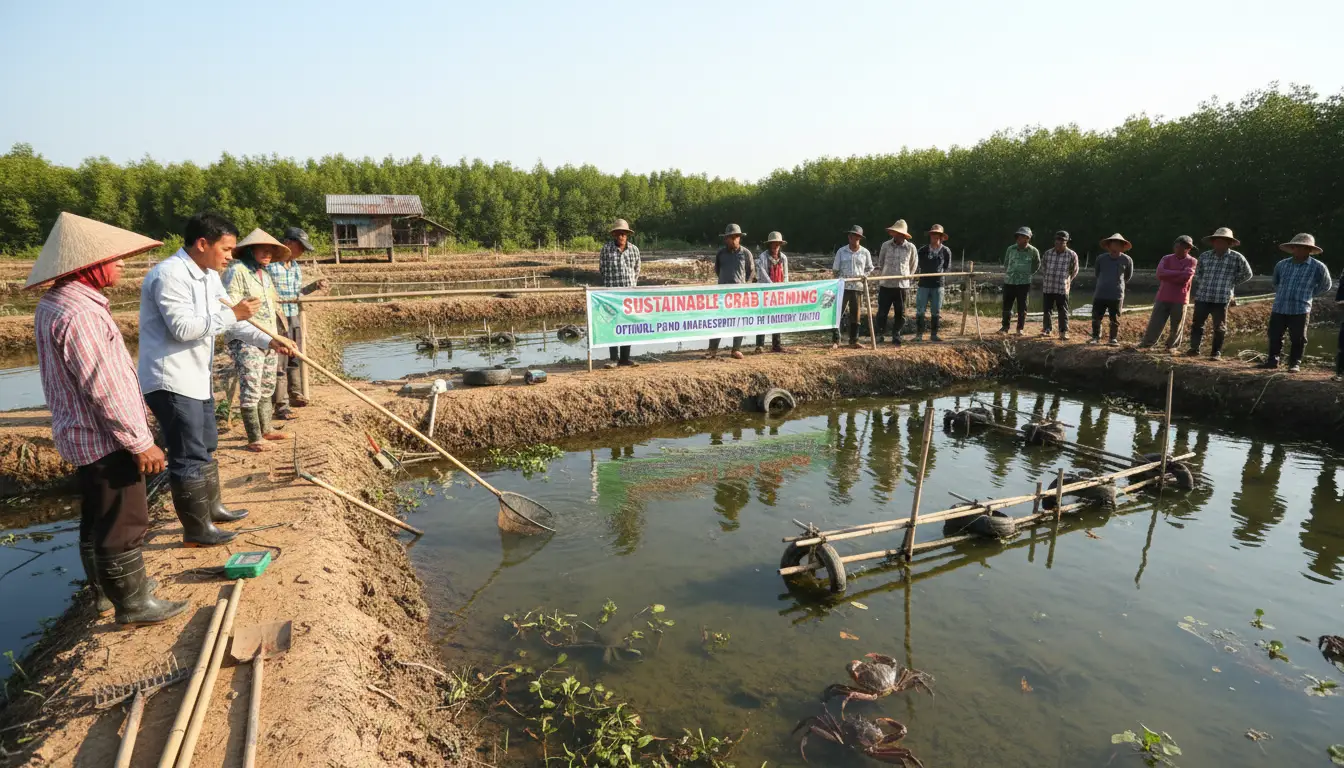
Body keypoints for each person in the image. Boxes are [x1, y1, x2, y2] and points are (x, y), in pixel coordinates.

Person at [29, 213, 187, 626]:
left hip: (83, 435)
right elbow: (104, 386)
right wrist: (140, 441)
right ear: (89, 265)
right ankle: (132, 604)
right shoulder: (80, 314)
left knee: (97, 517)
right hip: (105, 438)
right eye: (114, 259)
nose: (120, 266)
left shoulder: (57, 303)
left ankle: (109, 594)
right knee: (123, 520)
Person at [139, 212, 295, 548]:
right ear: (202, 244)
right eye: (226, 249)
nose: (229, 255)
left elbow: (230, 322)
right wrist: (234, 313)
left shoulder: (208, 276)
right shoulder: (169, 276)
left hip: (196, 378)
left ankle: (213, 508)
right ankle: (196, 531)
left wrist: (270, 340)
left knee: (206, 444)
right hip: (171, 380)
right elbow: (184, 329)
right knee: (188, 453)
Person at [224, 230, 290, 451]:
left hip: (269, 338)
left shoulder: (265, 275)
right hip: (246, 338)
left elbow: (273, 308)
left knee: (267, 384)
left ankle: (267, 429)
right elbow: (231, 308)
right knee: (251, 385)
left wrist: (281, 336)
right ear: (250, 250)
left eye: (271, 250)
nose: (268, 253)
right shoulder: (237, 271)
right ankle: (254, 438)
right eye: (263, 249)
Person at [267, 226, 328, 416]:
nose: (301, 252)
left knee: (295, 356)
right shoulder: (270, 265)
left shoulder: (294, 266)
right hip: (277, 318)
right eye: (300, 246)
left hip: (293, 314)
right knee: (280, 359)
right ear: (288, 243)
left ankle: (295, 394)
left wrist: (313, 287)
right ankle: (281, 404)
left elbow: (297, 294)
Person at [1261, 233, 1332, 372]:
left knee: (1298, 338)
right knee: (1275, 335)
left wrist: (1309, 294)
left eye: (1303, 248)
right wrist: (1283, 293)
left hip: (1300, 307)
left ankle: (1294, 363)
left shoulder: (1318, 267)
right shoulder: (1282, 265)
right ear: (1292, 248)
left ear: (1309, 250)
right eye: (1296, 247)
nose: (1299, 250)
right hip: (1280, 306)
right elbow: (1275, 282)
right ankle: (1272, 360)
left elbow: (1326, 285)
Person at [1187, 227, 1254, 359]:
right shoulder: (1205, 256)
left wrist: (1231, 282)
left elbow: (1248, 274)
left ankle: (1216, 352)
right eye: (1217, 241)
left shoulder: (1236, 257)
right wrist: (1203, 282)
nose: (1219, 244)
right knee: (1197, 323)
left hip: (1221, 297)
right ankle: (1194, 349)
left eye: (1222, 242)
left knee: (1219, 326)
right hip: (1203, 295)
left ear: (1229, 243)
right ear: (1213, 242)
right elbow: (1198, 273)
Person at [1138, 235, 1198, 351]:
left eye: (1188, 247)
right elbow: (1160, 273)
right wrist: (1179, 273)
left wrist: (1169, 275)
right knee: (1155, 322)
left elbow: (1185, 278)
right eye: (1183, 246)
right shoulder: (1166, 258)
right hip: (1163, 295)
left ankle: (1172, 347)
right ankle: (1147, 344)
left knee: (1177, 325)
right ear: (1176, 246)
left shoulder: (1192, 261)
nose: (1185, 249)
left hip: (1180, 297)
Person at [706, 224, 754, 359]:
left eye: (736, 237)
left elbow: (751, 272)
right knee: (718, 321)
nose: (733, 240)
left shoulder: (746, 253)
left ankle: (736, 349)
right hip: (722, 294)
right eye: (730, 237)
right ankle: (712, 350)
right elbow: (717, 270)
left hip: (739, 294)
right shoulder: (721, 253)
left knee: (739, 321)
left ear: (739, 238)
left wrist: (745, 287)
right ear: (725, 239)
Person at [599, 219, 641, 367]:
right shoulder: (606, 249)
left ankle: (625, 358)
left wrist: (631, 286)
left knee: (627, 325)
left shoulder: (634, 250)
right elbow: (602, 269)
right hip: (611, 294)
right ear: (614, 235)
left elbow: (637, 270)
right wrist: (610, 286)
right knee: (613, 324)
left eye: (623, 234)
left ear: (627, 235)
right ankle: (613, 359)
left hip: (628, 295)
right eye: (618, 234)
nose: (620, 237)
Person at [873, 220, 917, 345]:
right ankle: (880, 333)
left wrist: (907, 277)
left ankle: (896, 334)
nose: (898, 235)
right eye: (897, 233)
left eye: (901, 233)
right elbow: (881, 262)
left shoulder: (910, 247)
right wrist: (886, 274)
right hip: (886, 284)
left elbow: (913, 264)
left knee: (901, 312)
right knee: (882, 312)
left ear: (904, 235)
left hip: (902, 285)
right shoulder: (886, 245)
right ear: (893, 234)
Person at [1089, 233, 1135, 345]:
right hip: (1101, 293)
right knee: (1096, 317)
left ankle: (1113, 338)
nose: (1115, 248)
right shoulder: (1101, 259)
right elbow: (1097, 273)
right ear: (1109, 246)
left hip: (1116, 294)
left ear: (1122, 247)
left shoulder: (1127, 260)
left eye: (1118, 245)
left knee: (1114, 318)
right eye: (1113, 245)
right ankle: (1095, 337)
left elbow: (1127, 276)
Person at [832, 225, 873, 348]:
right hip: (843, 287)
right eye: (851, 237)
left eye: (856, 237)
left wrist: (864, 276)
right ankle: (836, 340)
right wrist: (841, 279)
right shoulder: (841, 251)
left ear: (859, 238)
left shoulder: (865, 252)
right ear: (849, 237)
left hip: (857, 287)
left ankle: (854, 340)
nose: (853, 239)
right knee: (838, 313)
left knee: (856, 314)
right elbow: (835, 269)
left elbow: (870, 267)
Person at [1038, 231, 1079, 339]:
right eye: (1057, 240)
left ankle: (1063, 332)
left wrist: (1066, 280)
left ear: (1066, 242)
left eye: (1062, 240)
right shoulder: (1048, 253)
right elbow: (1043, 267)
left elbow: (1074, 271)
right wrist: (1048, 277)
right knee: (1047, 310)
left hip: (1062, 287)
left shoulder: (1072, 254)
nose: (1059, 242)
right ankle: (1047, 329)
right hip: (1048, 286)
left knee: (1063, 310)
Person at [754, 231, 790, 353]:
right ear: (769, 245)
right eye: (773, 245)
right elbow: (762, 275)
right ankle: (760, 345)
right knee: (762, 317)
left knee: (777, 318)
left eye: (777, 245)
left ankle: (776, 344)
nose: (775, 247)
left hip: (778, 293)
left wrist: (783, 288)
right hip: (765, 291)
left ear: (780, 245)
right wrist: (771, 286)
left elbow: (785, 275)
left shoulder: (783, 258)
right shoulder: (763, 257)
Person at [915, 224, 952, 342]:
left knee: (936, 310)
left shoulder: (946, 251)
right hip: (924, 284)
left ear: (941, 237)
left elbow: (947, 267)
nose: (935, 237)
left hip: (938, 284)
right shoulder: (922, 250)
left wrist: (941, 276)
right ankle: (919, 335)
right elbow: (917, 264)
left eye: (937, 235)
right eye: (933, 234)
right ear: (930, 236)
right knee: (920, 310)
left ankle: (934, 334)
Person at [1001, 226, 1039, 335]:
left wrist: (1027, 273)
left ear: (1028, 238)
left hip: (1024, 282)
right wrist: (1011, 272)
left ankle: (1020, 328)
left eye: (1023, 236)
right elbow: (1006, 263)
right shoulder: (1010, 249)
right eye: (1018, 236)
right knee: (1007, 305)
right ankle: (1005, 327)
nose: (1019, 238)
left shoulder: (1033, 251)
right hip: (1010, 281)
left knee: (1022, 306)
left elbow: (1037, 264)